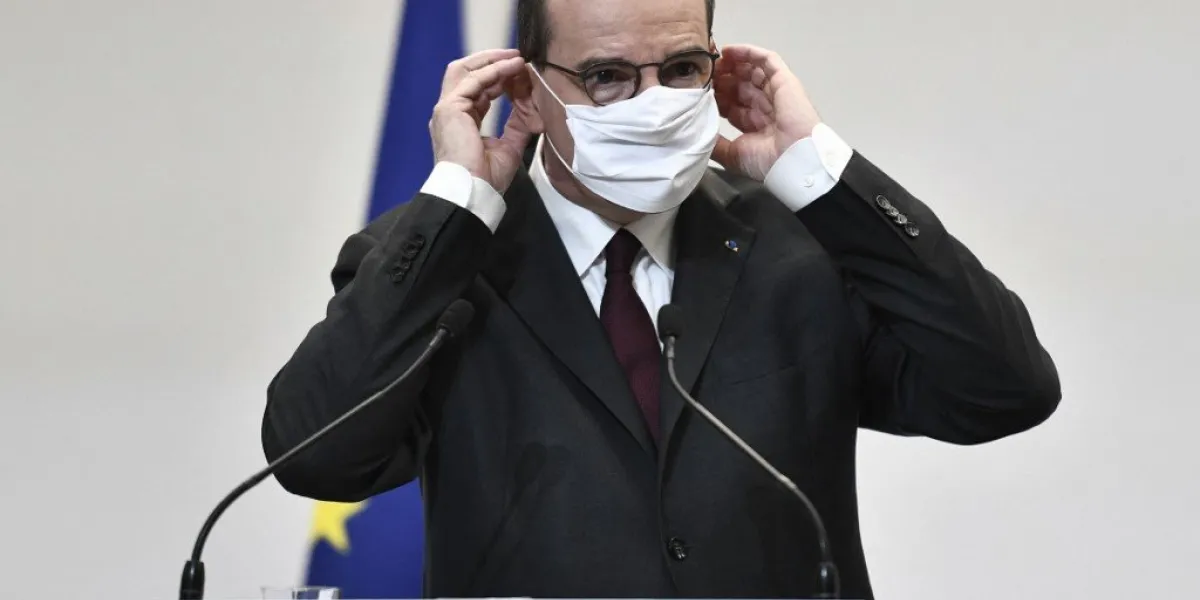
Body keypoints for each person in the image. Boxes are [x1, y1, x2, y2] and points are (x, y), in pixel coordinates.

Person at [261, 0, 1061, 597]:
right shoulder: (442, 261)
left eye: (680, 70)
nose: (651, 102)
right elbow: (315, 456)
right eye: (607, 76)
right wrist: (456, 208)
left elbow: (1004, 390)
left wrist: (822, 174)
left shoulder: (803, 247)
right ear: (528, 94)